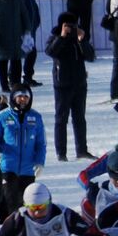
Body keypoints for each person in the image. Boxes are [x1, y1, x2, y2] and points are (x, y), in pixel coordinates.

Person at [43, 12, 96, 161]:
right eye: (67, 25)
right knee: (61, 119)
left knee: (79, 119)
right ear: (61, 25)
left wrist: (82, 40)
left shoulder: (78, 38)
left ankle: (82, 150)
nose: (71, 28)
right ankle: (61, 153)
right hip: (62, 85)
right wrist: (62, 37)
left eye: (73, 25)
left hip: (79, 84)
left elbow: (91, 56)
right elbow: (50, 51)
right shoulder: (55, 36)